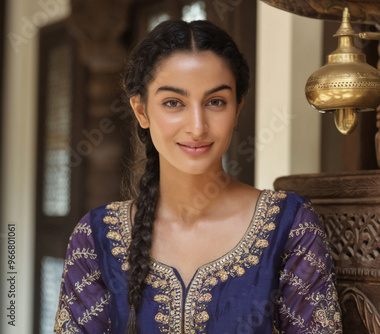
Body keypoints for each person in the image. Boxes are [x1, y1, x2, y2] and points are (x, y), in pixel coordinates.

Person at [54, 20, 342, 334]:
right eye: (173, 103)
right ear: (141, 111)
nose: (197, 126)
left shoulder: (290, 225)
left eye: (215, 102)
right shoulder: (96, 238)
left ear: (237, 108)